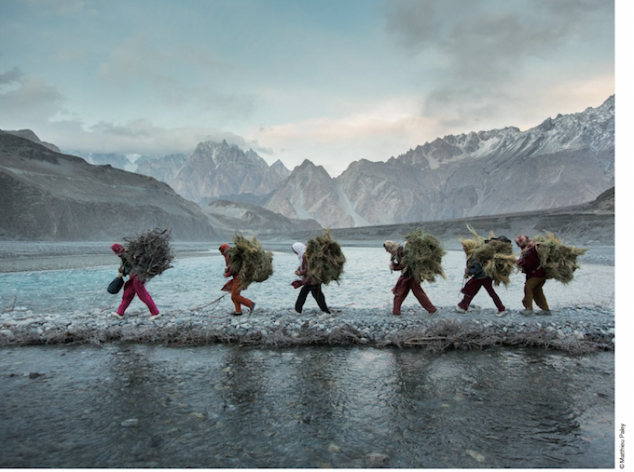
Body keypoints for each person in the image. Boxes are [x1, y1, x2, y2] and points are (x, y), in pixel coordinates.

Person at [383, 240, 437, 316]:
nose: (387, 251)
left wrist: (393, 267)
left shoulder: (401, 251)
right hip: (410, 275)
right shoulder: (400, 250)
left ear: (390, 248)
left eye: (387, 250)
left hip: (409, 276)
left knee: (401, 293)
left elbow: (404, 265)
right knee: (412, 293)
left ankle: (396, 312)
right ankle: (431, 309)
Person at [456, 240, 507, 316]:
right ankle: (463, 306)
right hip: (483, 277)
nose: (463, 248)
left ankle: (501, 309)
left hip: (482, 277)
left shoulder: (474, 256)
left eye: (465, 246)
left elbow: (478, 269)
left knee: (472, 290)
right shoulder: (475, 254)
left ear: (469, 246)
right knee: (471, 291)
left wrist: (469, 271)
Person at [110, 243, 160, 320]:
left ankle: (155, 313)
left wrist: (122, 272)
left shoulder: (125, 255)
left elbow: (129, 267)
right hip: (134, 276)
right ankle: (120, 312)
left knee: (142, 295)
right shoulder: (129, 253)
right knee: (128, 294)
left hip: (138, 276)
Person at [515, 235, 551, 314]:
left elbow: (530, 263)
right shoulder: (532, 248)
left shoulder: (530, 251)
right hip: (541, 274)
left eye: (519, 244)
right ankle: (545, 309)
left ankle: (528, 309)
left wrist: (520, 263)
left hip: (536, 274)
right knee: (537, 291)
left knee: (528, 288)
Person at [291, 242, 330, 314]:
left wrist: (300, 273)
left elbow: (308, 269)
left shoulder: (305, 256)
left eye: (295, 251)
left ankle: (297, 310)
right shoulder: (309, 254)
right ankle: (325, 311)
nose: (295, 253)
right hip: (316, 278)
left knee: (307, 295)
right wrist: (300, 268)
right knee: (317, 295)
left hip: (311, 280)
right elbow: (307, 266)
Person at [219, 243, 255, 316]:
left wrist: (227, 274)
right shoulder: (233, 255)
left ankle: (250, 304)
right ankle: (238, 311)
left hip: (239, 278)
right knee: (234, 296)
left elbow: (234, 269)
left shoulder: (232, 257)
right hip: (238, 277)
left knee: (235, 296)